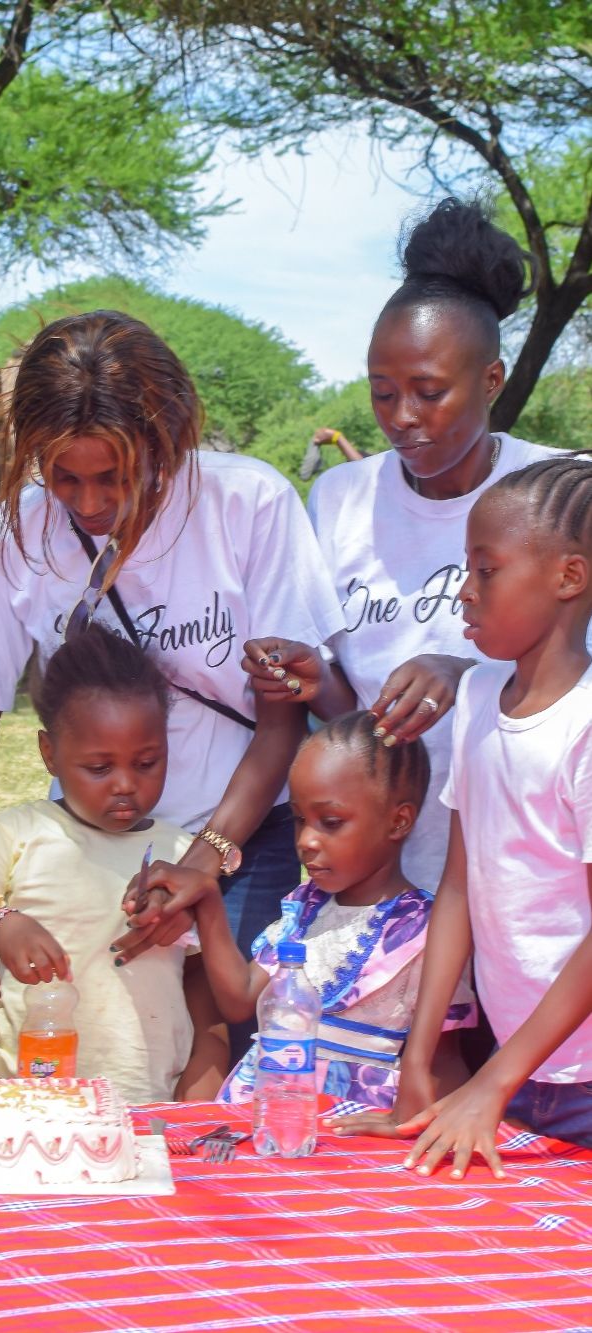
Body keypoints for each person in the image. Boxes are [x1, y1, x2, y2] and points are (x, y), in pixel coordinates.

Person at [0, 309, 345, 1055]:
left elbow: (282, 719)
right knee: (99, 1046)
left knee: (226, 1053)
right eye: (62, 478)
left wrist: (199, 864)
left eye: (115, 477)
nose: (88, 504)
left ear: (166, 439)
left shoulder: (247, 506)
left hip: (246, 840)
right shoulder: (8, 541)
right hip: (86, 848)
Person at [244, 198, 571, 893]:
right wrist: (314, 678)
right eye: (382, 393)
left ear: (491, 379)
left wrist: (469, 677)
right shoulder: (339, 498)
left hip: (529, 859)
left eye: (427, 392)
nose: (401, 419)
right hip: (383, 870)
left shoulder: (561, 491)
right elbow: (352, 711)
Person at [334, 459, 592, 1175]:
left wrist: (490, 1083)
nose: (464, 594)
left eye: (486, 571)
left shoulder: (583, 728)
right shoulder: (476, 696)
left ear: (568, 578)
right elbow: (458, 886)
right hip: (511, 1069)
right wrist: (416, 1060)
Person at [0, 624, 228, 1101]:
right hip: (20, 1103)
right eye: (100, 768)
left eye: (147, 763)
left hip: (143, 1108)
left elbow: (204, 992)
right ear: (49, 754)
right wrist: (3, 925)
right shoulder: (16, 833)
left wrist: (201, 1085)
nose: (125, 784)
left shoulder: (182, 858)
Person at [132, 712, 474, 1109]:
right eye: (299, 820)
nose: (307, 841)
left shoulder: (427, 930)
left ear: (398, 822)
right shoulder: (304, 908)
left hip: (355, 1121)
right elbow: (240, 1000)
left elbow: (446, 1060)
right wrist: (209, 901)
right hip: (263, 1106)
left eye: (330, 822)